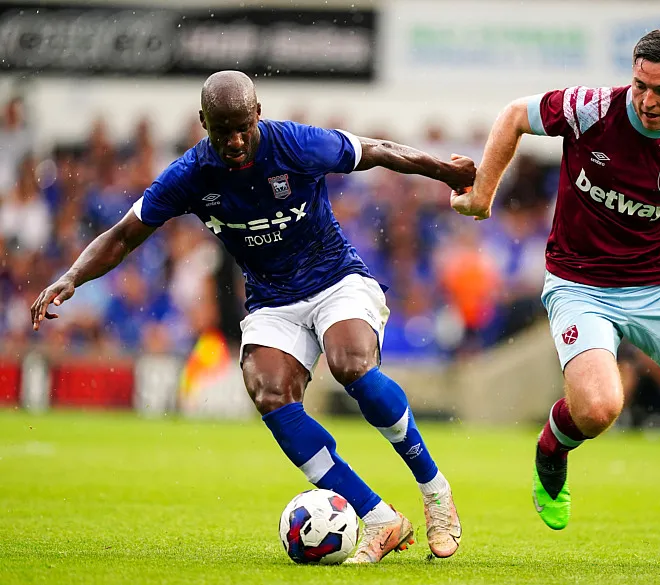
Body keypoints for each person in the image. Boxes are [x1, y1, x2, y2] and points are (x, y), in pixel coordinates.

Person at [31, 70, 472, 564]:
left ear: (258, 114)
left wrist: (445, 172)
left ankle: (435, 493)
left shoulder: (297, 144)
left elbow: (379, 150)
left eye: (244, 127)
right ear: (204, 124)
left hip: (336, 281)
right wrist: (71, 276)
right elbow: (124, 234)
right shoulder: (190, 174)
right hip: (271, 302)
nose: (236, 141)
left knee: (351, 366)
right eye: (223, 131)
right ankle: (381, 520)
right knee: (268, 393)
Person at [451, 29, 660, 571]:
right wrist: (484, 191)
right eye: (640, 85)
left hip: (657, 286)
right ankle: (553, 447)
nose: (647, 100)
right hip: (578, 284)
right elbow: (512, 116)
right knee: (598, 409)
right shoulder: (589, 108)